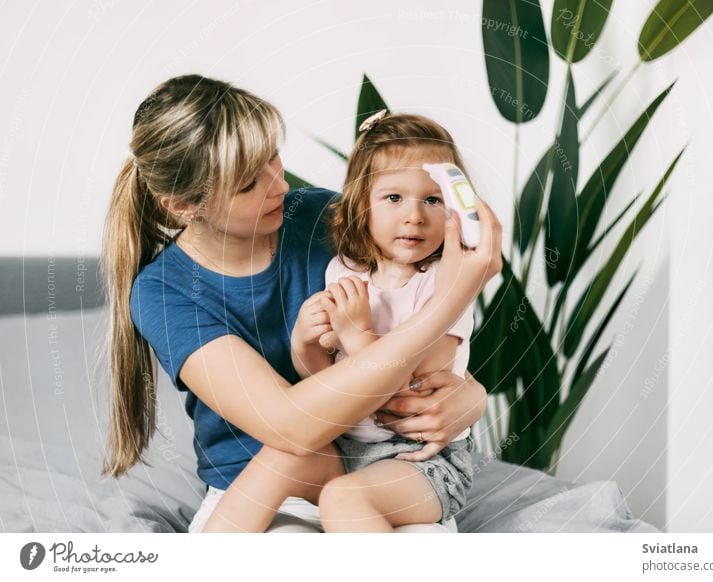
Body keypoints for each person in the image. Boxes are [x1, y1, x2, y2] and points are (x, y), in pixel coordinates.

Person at [101, 74, 502, 533]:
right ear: (184, 206)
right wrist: (452, 300)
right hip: (262, 488)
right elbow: (293, 427)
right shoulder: (165, 292)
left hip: (386, 469)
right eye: (249, 182)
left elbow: (411, 324)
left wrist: (470, 396)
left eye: (273, 156)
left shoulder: (323, 219)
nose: (279, 185)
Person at [202, 112, 479, 533]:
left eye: (433, 199)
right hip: (346, 445)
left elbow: (412, 391)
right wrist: (306, 345)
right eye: (393, 198)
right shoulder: (345, 271)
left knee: (344, 497)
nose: (414, 216)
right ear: (359, 205)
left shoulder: (448, 282)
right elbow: (330, 384)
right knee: (279, 457)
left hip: (419, 460)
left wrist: (357, 334)